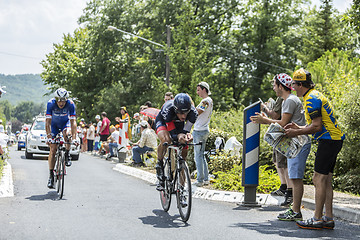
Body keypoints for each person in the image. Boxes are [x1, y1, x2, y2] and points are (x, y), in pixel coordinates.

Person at [284, 68, 345, 230]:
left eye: (294, 85)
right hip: (334, 139)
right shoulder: (314, 94)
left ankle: (317, 218)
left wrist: (296, 132)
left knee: (317, 179)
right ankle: (328, 218)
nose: (293, 88)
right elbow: (316, 124)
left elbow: (317, 127)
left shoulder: (311, 99)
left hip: (328, 140)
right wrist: (300, 126)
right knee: (325, 180)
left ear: (301, 84)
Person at [250, 73, 311, 221]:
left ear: (280, 86)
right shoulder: (288, 101)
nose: (273, 88)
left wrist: (264, 120)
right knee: (294, 177)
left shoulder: (289, 101)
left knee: (296, 178)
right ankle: (294, 209)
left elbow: (283, 123)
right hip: (296, 143)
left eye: (274, 85)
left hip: (299, 143)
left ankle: (296, 211)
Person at [154, 93, 198, 191]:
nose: (183, 115)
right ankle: (159, 163)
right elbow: (173, 134)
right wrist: (178, 136)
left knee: (184, 145)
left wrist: (186, 135)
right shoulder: (168, 111)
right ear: (175, 110)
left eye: (185, 112)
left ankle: (181, 189)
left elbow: (186, 130)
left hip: (179, 125)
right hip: (163, 121)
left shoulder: (193, 113)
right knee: (167, 140)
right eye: (181, 113)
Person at [45, 88, 78, 189]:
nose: (61, 102)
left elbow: (73, 123)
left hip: (65, 124)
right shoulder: (50, 103)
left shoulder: (71, 104)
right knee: (53, 149)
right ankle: (51, 176)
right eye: (59, 100)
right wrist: (49, 136)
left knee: (67, 134)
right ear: (55, 99)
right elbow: (47, 123)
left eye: (63, 100)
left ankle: (67, 155)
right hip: (54, 126)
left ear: (66, 99)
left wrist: (74, 138)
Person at [262, 97, 290, 198]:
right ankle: (284, 186)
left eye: (274, 84)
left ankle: (288, 189)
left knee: (282, 163)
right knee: (277, 161)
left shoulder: (283, 99)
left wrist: (264, 109)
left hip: (281, 133)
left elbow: (275, 115)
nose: (273, 87)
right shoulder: (284, 99)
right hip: (278, 132)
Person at [193, 82, 213, 187]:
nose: (197, 92)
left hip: (199, 131)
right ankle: (206, 178)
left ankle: (200, 180)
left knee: (198, 156)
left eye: (198, 90)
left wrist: (191, 106)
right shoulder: (208, 101)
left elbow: (197, 112)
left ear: (204, 89)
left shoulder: (206, 101)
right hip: (204, 129)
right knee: (201, 155)